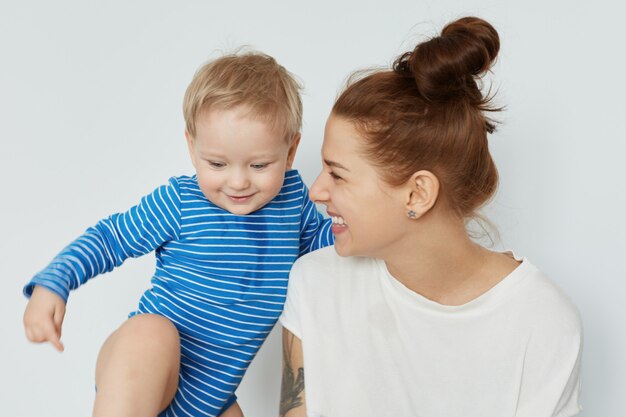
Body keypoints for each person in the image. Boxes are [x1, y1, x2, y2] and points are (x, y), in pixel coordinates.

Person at [279, 16, 582, 417]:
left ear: (417, 193)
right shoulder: (315, 283)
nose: (316, 191)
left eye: (337, 174)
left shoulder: (541, 321)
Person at [22, 51, 334, 417]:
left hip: (212, 401)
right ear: (191, 146)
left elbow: (335, 245)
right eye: (217, 164)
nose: (238, 181)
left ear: (291, 150)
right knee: (151, 333)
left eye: (259, 165)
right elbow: (110, 238)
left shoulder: (293, 205)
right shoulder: (182, 202)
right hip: (147, 372)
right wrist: (54, 282)